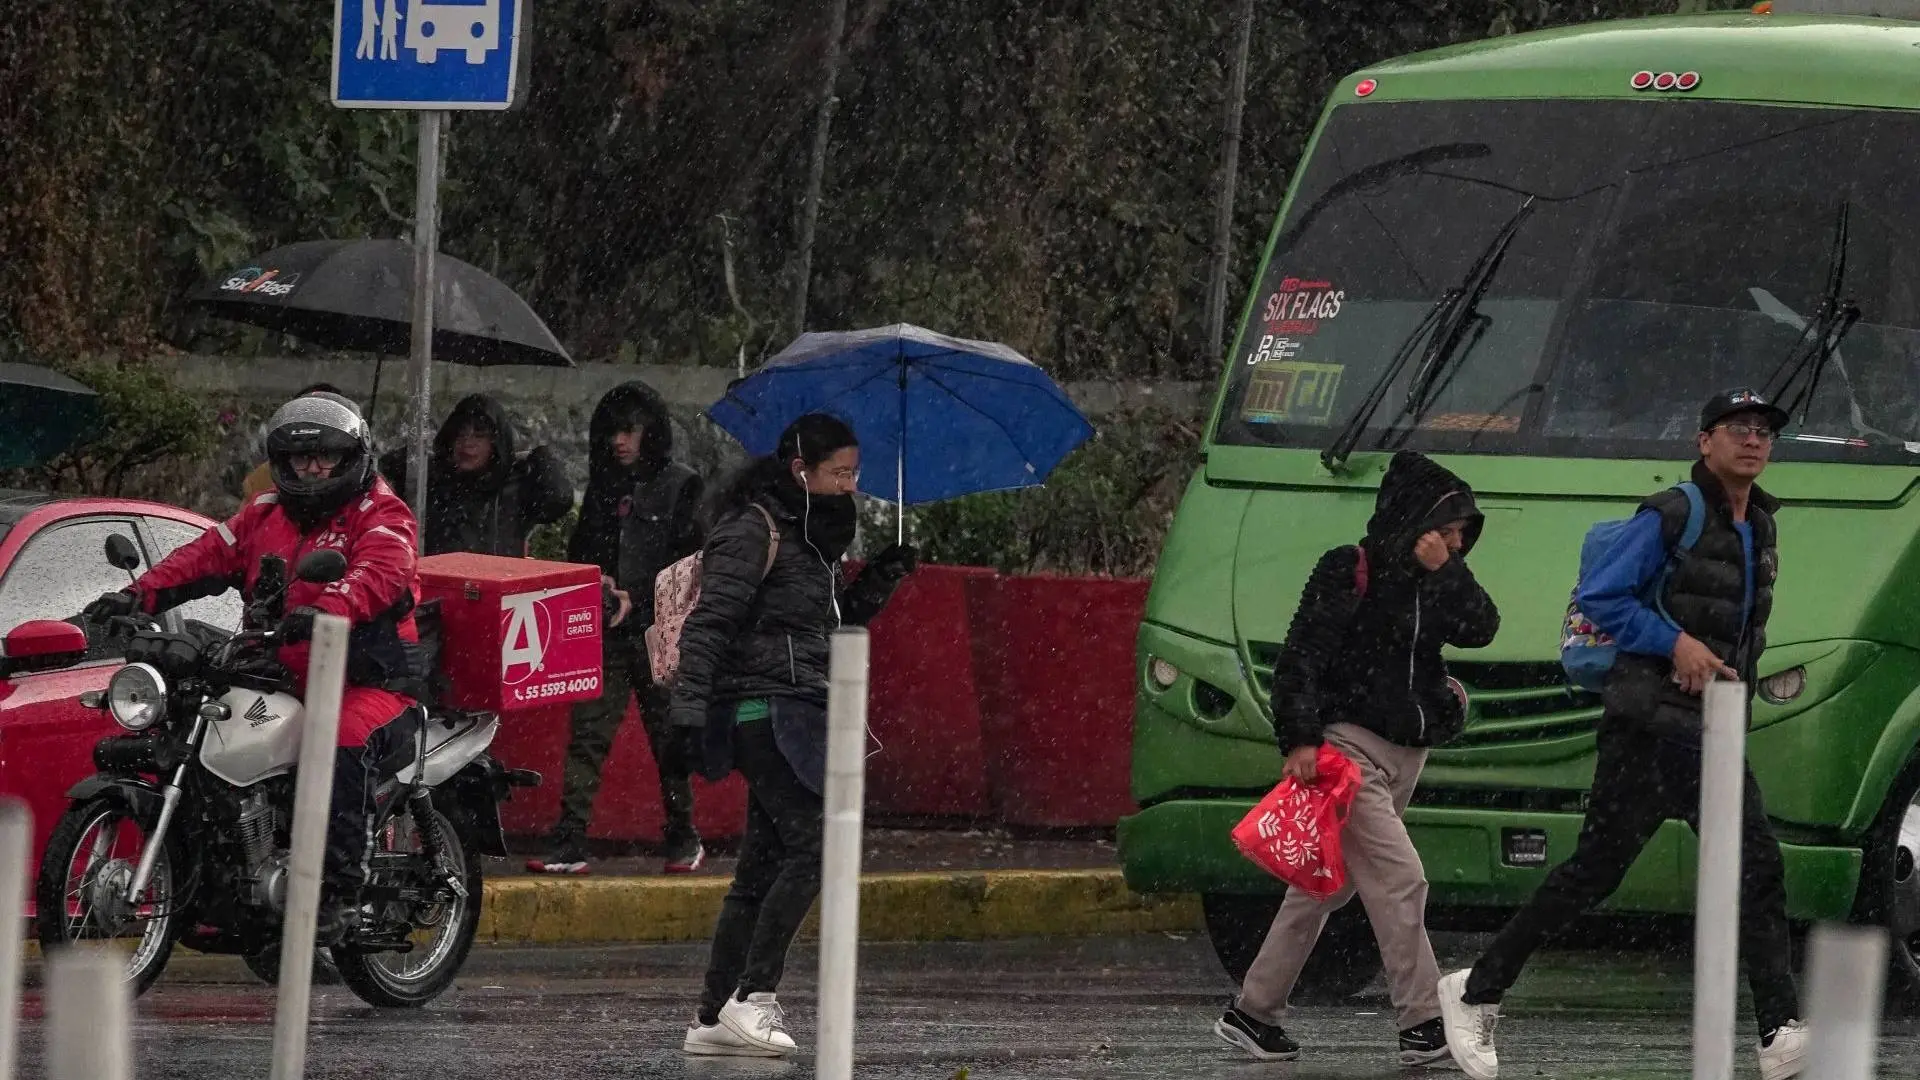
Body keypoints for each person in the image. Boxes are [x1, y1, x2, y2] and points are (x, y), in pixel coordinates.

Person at [1438, 389, 1804, 1080]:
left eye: (1764, 432)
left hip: (1708, 729)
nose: (1753, 441)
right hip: (1646, 725)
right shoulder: (1672, 514)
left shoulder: (1759, 523)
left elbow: (1741, 630)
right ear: (1705, 441)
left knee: (1748, 866)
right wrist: (1675, 644)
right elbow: (1603, 597)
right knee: (1603, 873)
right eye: (1738, 429)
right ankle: (1475, 987)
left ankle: (1778, 1029)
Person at [84, 392, 423, 941]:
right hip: (281, 672)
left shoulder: (383, 514)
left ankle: (338, 891)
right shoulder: (264, 513)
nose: (311, 469)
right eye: (297, 459)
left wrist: (324, 608)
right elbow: (205, 557)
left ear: (352, 458)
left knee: (337, 736)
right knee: (202, 723)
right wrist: (136, 596)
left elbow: (380, 574)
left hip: (368, 680)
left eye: (326, 458)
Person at [1215, 449, 1500, 1067]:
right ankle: (1424, 1024)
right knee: (1402, 881)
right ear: (1414, 521)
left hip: (1407, 756)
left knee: (1324, 887)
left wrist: (1446, 572)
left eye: (1461, 535)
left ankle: (1252, 1013)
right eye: (1446, 530)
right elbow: (1302, 657)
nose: (1455, 543)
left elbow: (1482, 628)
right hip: (1349, 754)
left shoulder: (1437, 581)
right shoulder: (1351, 569)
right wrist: (1299, 739)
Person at [674, 413, 917, 1058]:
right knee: (817, 847)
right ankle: (753, 997)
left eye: (855, 474)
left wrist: (881, 579)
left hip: (799, 708)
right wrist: (690, 708)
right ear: (799, 469)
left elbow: (824, 627)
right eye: (839, 473)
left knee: (760, 867)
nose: (851, 486)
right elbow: (710, 621)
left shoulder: (810, 541)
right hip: (762, 712)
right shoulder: (755, 528)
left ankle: (710, 1016)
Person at [529, 382, 708, 875]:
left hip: (659, 634)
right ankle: (570, 840)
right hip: (606, 630)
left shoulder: (682, 485)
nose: (619, 442)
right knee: (588, 736)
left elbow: (692, 566)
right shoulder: (604, 489)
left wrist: (639, 594)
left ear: (651, 432)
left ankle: (683, 834)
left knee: (668, 737)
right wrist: (598, 582)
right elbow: (581, 552)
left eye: (629, 431)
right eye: (613, 431)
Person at [378, 393, 573, 557]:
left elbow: (559, 500)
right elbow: (379, 482)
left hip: (498, 588)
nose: (467, 443)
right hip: (439, 586)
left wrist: (541, 457)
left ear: (495, 443)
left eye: (479, 436)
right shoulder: (432, 477)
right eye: (461, 434)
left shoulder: (514, 483)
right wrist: (411, 456)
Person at [237, 383, 347, 501]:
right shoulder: (261, 481)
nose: (314, 468)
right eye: (308, 416)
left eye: (327, 456)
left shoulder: (363, 484)